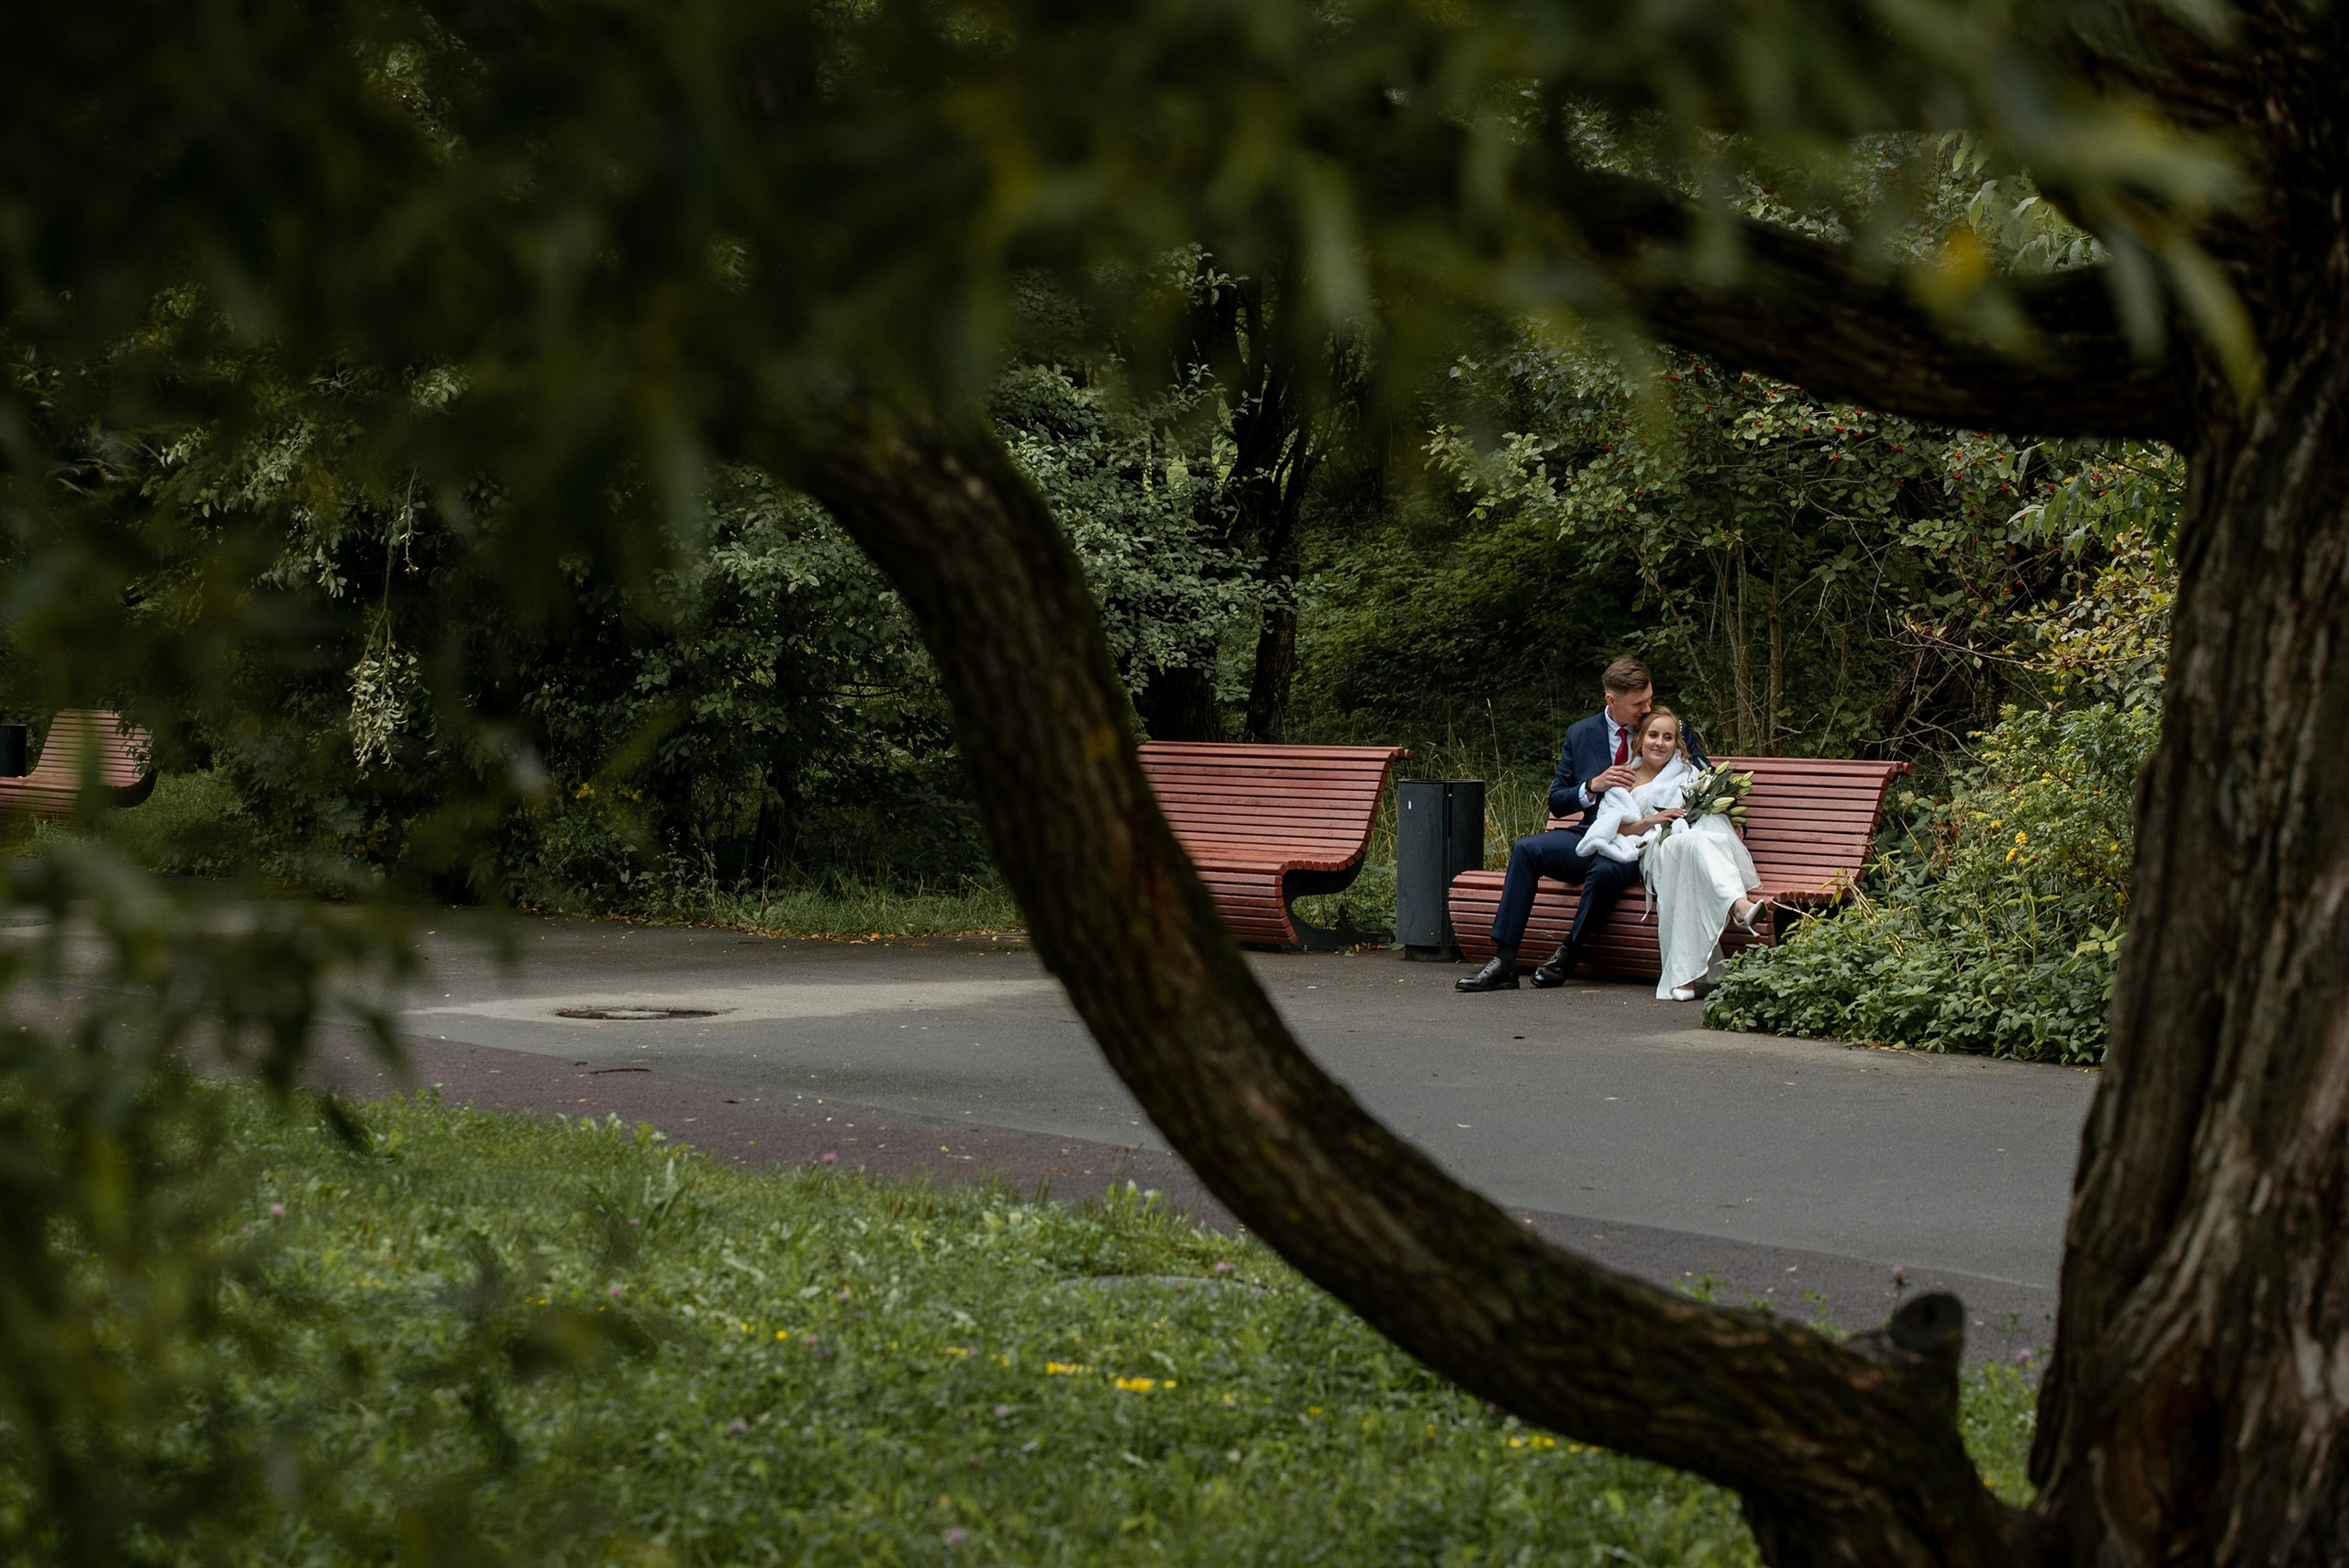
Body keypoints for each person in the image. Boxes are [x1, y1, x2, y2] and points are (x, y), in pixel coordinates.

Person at [1455, 656, 1709, 992]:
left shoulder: (1666, 730)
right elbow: (1557, 802)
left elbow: (1707, 779)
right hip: (1592, 832)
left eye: (1649, 699)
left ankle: (1568, 953)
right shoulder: (1581, 733)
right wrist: (1592, 785)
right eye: (1638, 704)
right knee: (1526, 850)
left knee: (1605, 869)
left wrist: (1733, 819)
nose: (1647, 709)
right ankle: (1504, 960)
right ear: (1611, 700)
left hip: (1640, 844)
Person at [1575, 708, 1767, 1001]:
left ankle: (1683, 980)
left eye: (1668, 737)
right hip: (1653, 849)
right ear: (1639, 739)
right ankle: (1738, 906)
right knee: (1697, 842)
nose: (1660, 743)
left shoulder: (1690, 774)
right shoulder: (1623, 778)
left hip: (1689, 847)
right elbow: (1613, 831)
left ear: (1677, 744)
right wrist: (1651, 821)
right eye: (1653, 735)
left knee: (1698, 841)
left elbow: (1702, 815)